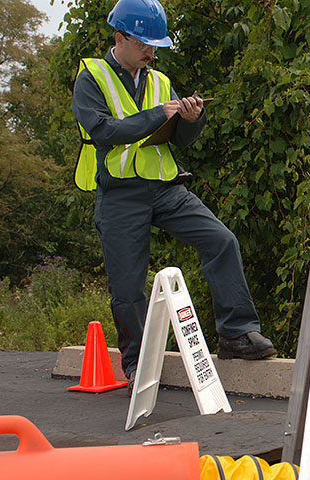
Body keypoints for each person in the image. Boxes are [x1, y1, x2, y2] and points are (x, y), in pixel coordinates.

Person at [71, 0, 275, 388]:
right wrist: (159, 114)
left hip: (166, 189)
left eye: (155, 45)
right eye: (144, 43)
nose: (151, 51)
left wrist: (190, 120)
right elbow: (103, 131)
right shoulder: (91, 76)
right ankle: (136, 365)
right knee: (128, 286)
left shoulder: (160, 80)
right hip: (120, 195)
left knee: (221, 240)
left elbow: (177, 140)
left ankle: (236, 334)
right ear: (120, 38)